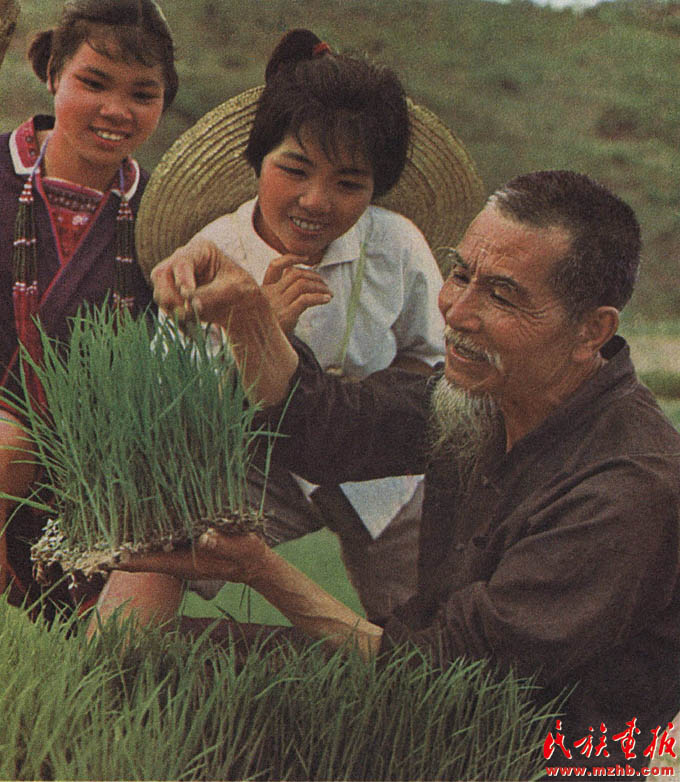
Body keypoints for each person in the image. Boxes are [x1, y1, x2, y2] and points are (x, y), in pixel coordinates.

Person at [121, 170, 680, 770]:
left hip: (534, 750)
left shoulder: (626, 487)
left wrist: (258, 569)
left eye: (502, 295)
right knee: (146, 659)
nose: (456, 311)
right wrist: (246, 315)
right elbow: (329, 428)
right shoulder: (492, 393)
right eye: (460, 273)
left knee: (204, 708)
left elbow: (454, 676)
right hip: (430, 680)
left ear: (591, 331)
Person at [108, 27, 483, 625]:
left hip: (379, 466)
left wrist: (354, 409)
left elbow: (434, 362)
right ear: (258, 159)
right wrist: (260, 332)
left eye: (349, 183)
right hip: (253, 464)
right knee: (154, 547)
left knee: (425, 626)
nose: (315, 201)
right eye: (295, 170)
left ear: (376, 188)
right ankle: (114, 654)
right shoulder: (212, 252)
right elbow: (173, 411)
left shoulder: (395, 244)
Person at [0, 0, 180, 619]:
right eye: (94, 83)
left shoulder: (163, 214)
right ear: (52, 74)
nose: (116, 110)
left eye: (142, 94)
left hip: (97, 471)